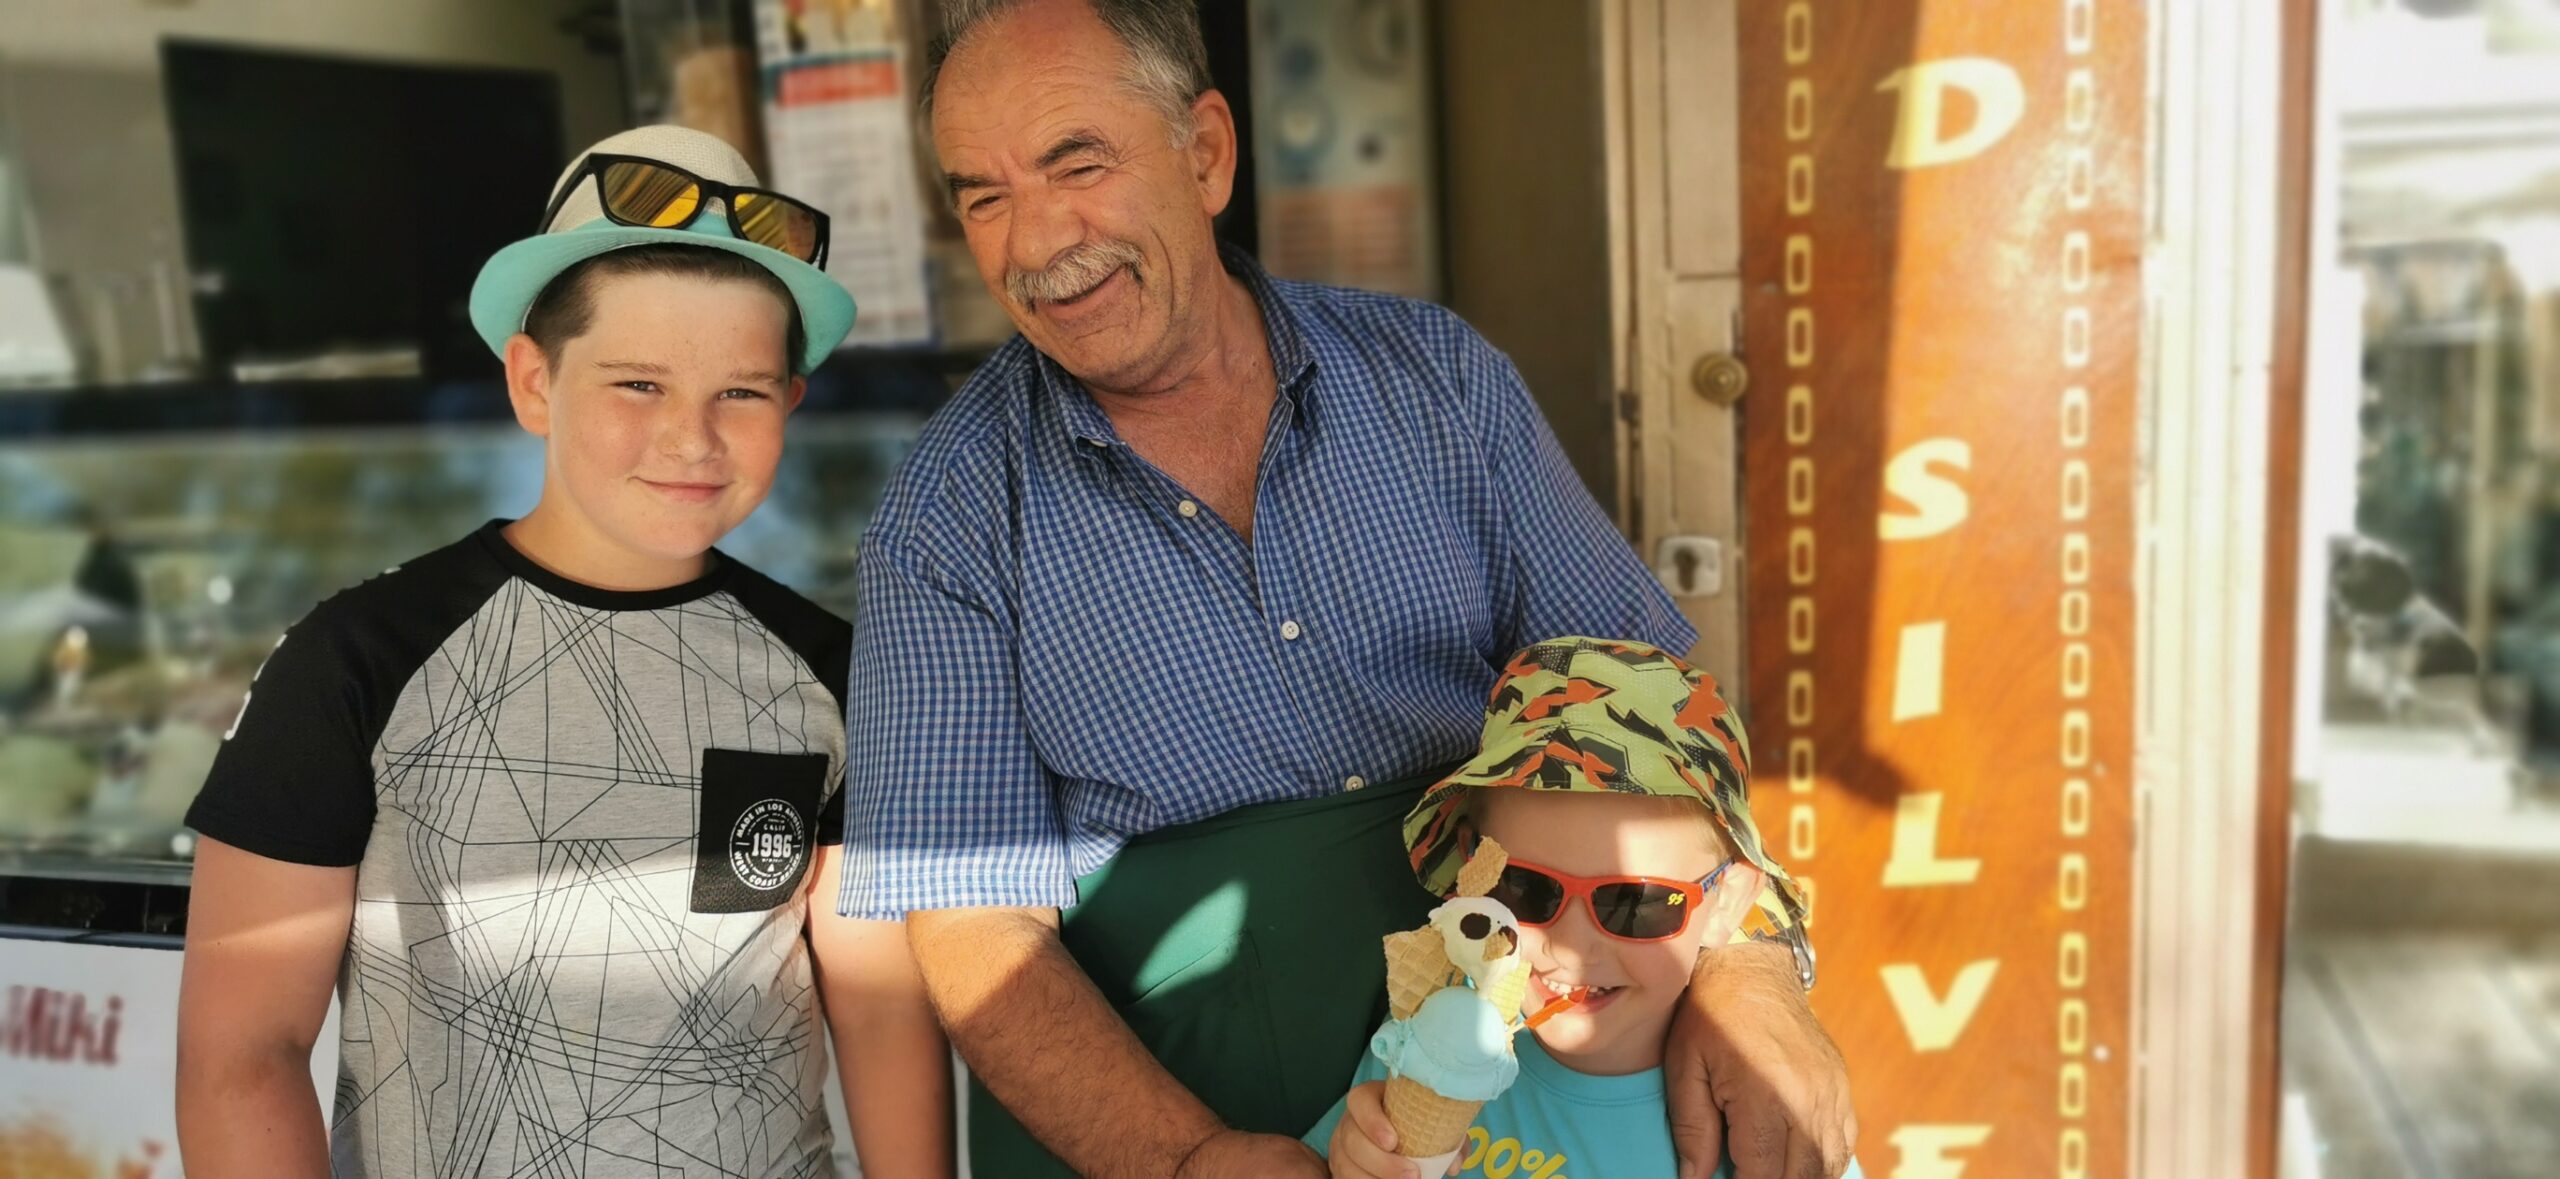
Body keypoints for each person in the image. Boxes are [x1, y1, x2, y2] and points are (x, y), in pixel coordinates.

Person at [839, 1, 1855, 1176]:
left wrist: (1752, 964)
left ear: (1206, 153)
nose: (1033, 242)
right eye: (983, 197)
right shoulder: (945, 516)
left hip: (1519, 1089)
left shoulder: (1437, 381)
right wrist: (1187, 1159)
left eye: (1078, 165)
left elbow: (1652, 710)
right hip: (1168, 1109)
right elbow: (970, 923)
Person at [174, 126, 951, 1178]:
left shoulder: (831, 670)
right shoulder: (356, 660)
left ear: (791, 402)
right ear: (533, 382)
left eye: (742, 391)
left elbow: (882, 1009)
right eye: (638, 385)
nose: (692, 438)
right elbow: (242, 1056)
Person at [1308, 638, 1867, 1179]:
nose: (1569, 946)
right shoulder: (1430, 1035)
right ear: (1473, 869)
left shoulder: (1763, 1116)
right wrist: (1358, 1159)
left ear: (1727, 903)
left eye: (1634, 902)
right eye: (1525, 888)